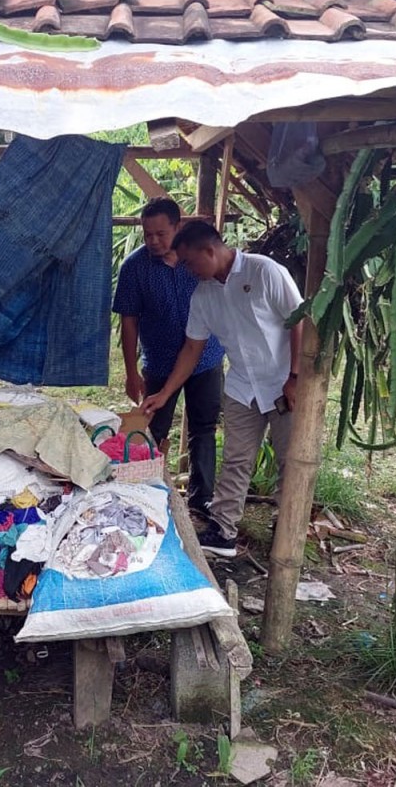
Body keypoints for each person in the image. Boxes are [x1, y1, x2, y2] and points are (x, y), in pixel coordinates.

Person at [142, 220, 303, 557]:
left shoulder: (264, 272)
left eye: (189, 262)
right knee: (235, 460)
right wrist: (166, 393)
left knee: (291, 462)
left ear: (210, 251)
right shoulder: (202, 295)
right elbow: (191, 349)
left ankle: (287, 532)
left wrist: (296, 376)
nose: (187, 270)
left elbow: (298, 320)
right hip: (243, 385)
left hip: (283, 382)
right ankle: (223, 532)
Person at [112, 198, 225, 516]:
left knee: (203, 427)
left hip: (206, 357)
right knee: (151, 427)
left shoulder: (198, 260)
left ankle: (201, 499)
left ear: (178, 227)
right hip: (159, 363)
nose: (153, 241)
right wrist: (132, 371)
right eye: (147, 234)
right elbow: (129, 320)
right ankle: (143, 493)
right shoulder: (134, 268)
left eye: (161, 233)